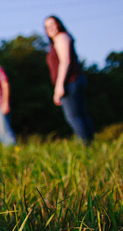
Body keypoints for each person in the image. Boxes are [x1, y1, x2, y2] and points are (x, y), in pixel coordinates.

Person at [44, 15, 94, 144]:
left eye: (52, 24)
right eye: (47, 27)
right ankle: (89, 143)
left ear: (58, 24)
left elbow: (65, 61)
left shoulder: (61, 37)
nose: (50, 28)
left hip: (70, 82)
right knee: (80, 114)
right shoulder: (57, 41)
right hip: (73, 81)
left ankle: (85, 145)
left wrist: (59, 86)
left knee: (73, 116)